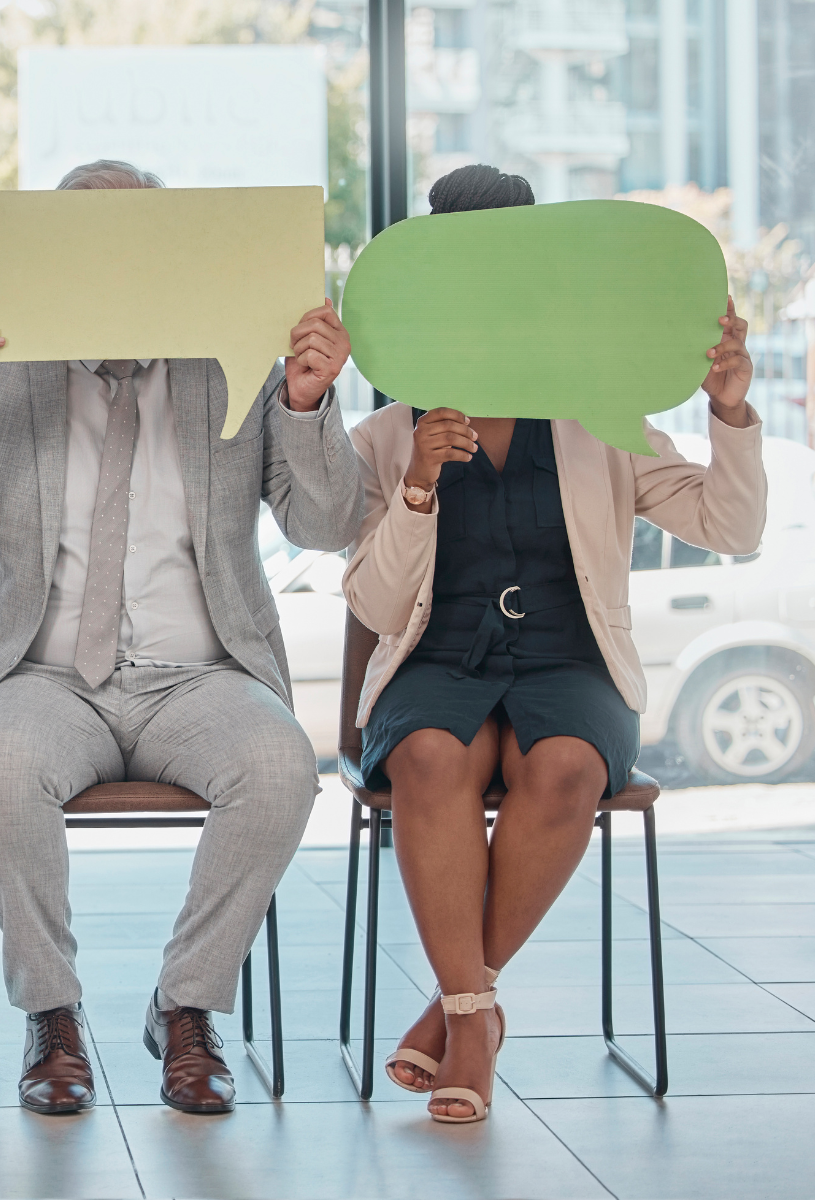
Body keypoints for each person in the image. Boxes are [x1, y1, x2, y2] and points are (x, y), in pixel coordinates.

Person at [0, 159, 363, 1115]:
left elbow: (325, 523)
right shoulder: (1, 373)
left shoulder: (231, 355)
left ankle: (186, 1005)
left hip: (201, 672)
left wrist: (306, 399)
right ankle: (50, 1017)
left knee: (278, 768)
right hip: (44, 672)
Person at [343, 163, 768, 1123]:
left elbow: (729, 527)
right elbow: (371, 600)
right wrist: (416, 485)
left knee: (568, 766)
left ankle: (458, 1011)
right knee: (429, 754)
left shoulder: (596, 416)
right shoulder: (385, 431)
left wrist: (730, 411)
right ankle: (477, 1026)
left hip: (569, 662)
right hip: (435, 660)